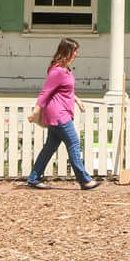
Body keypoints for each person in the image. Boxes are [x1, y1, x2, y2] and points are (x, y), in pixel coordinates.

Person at [26, 37, 101, 190]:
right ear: (66, 52)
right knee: (73, 143)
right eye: (75, 51)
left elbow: (64, 90)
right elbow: (46, 92)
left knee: (50, 147)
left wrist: (77, 100)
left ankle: (34, 178)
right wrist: (35, 111)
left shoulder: (65, 70)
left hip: (61, 112)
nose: (76, 54)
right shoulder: (57, 71)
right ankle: (84, 180)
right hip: (58, 114)